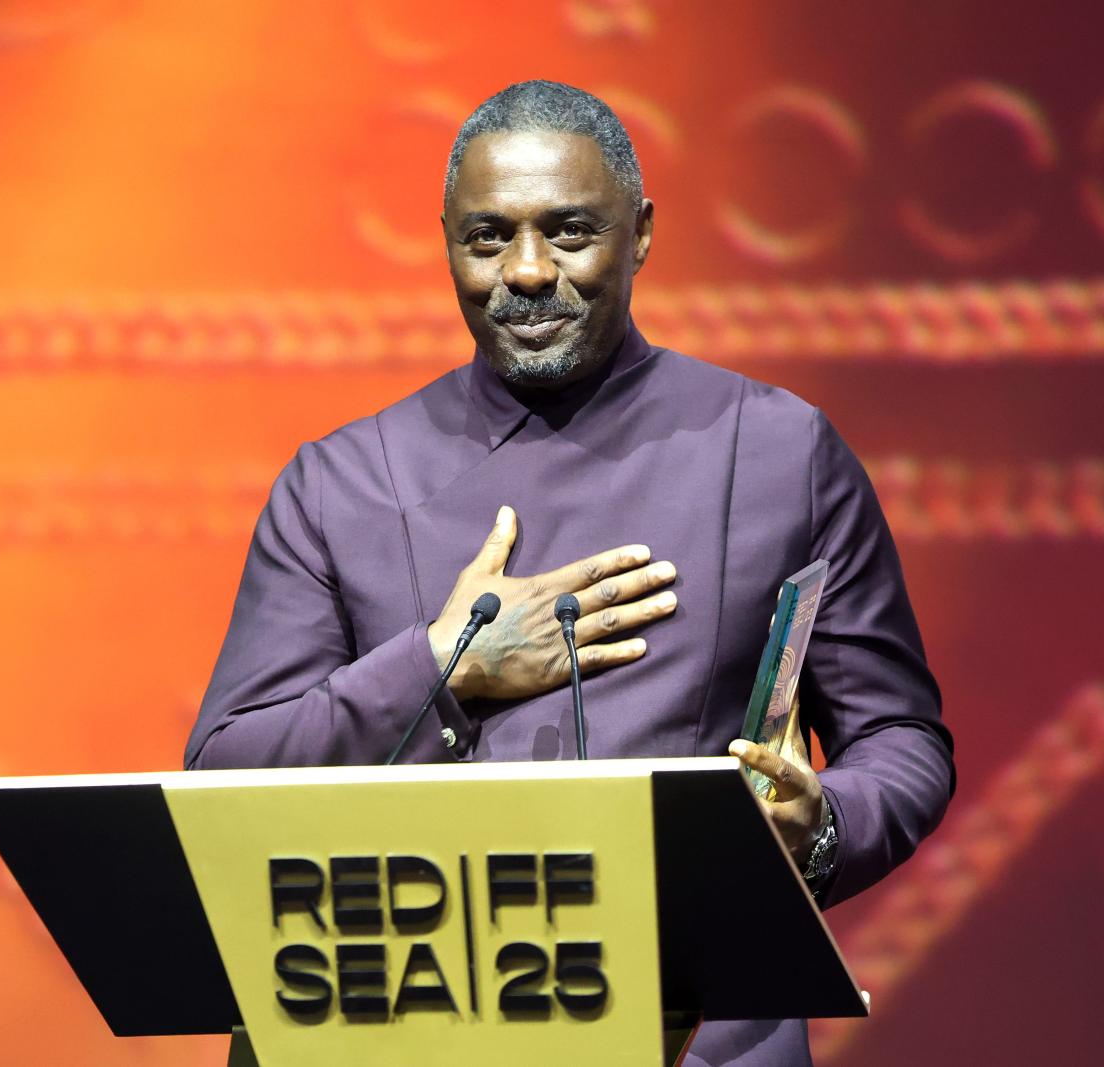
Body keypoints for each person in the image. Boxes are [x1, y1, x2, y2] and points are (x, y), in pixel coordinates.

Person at [185, 80, 954, 1067]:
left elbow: (897, 736)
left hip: (694, 1032)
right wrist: (443, 668)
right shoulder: (341, 482)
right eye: (488, 238)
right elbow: (225, 776)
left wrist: (821, 827)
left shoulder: (777, 452)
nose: (527, 270)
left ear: (641, 234)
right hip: (399, 1034)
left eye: (570, 231)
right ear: (446, 244)